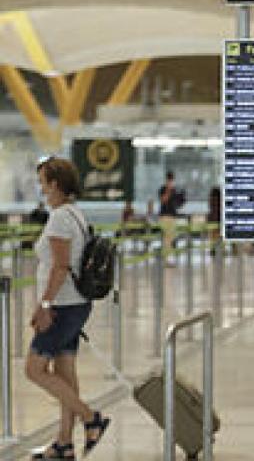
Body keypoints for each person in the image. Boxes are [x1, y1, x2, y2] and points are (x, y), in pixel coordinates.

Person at [26, 157, 110, 460]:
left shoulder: (60, 218)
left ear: (55, 184)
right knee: (65, 373)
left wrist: (44, 305)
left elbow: (60, 267)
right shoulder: (75, 213)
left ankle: (91, 418)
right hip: (75, 304)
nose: (41, 189)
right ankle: (64, 443)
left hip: (61, 307)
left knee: (34, 369)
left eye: (43, 182)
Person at [157, 172, 184, 266]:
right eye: (169, 179)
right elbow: (163, 200)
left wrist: (181, 198)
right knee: (167, 237)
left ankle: (166, 257)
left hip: (173, 216)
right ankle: (166, 259)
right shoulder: (163, 189)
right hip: (164, 216)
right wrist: (168, 190)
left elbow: (178, 204)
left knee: (171, 237)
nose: (170, 181)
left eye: (171, 180)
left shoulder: (175, 190)